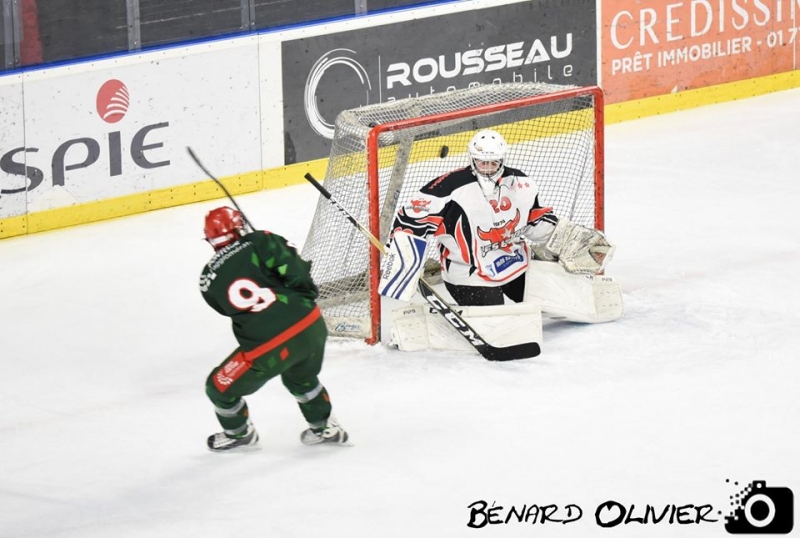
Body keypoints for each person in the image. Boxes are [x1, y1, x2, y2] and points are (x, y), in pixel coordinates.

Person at [379, 129, 613, 307]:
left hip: (515, 263)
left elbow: (533, 221)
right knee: (499, 319)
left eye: (494, 163)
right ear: (472, 159)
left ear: (502, 160)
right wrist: (405, 262)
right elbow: (411, 222)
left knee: (561, 300)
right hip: (468, 274)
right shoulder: (448, 190)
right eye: (482, 162)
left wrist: (568, 237)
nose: (488, 168)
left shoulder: (520, 183)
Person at [199, 206, 348, 451]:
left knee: (218, 388)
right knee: (301, 379)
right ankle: (325, 428)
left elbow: (226, 308)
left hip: (269, 347)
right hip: (310, 325)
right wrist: (303, 297)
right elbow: (297, 272)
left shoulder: (208, 278)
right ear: (239, 227)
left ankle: (239, 434)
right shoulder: (261, 240)